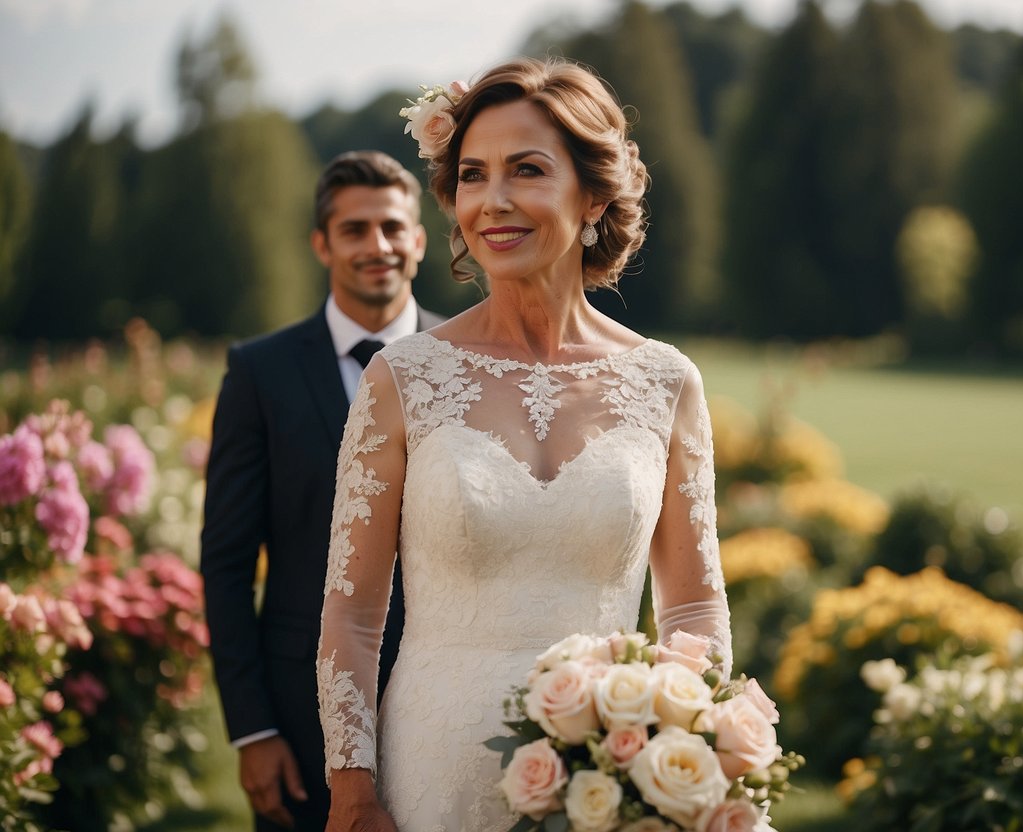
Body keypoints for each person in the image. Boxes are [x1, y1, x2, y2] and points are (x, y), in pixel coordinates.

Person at [317, 58, 732, 831]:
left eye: (527, 170)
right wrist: (351, 788)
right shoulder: (401, 379)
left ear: (594, 196)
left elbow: (694, 605)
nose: (492, 201)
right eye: (472, 175)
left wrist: (687, 749)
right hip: (430, 775)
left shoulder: (665, 382)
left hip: (607, 783)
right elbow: (354, 614)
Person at [201, 151, 445, 831]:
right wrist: (252, 731)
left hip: (446, 700)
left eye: (394, 228)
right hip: (299, 712)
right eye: (355, 229)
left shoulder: (467, 365)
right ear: (321, 243)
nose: (378, 247)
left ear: (419, 241)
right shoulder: (259, 372)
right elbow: (225, 562)